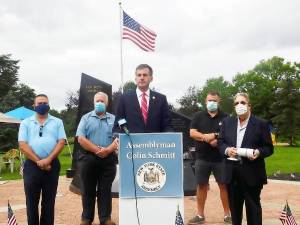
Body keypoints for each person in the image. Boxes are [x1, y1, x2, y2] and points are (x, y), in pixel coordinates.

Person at [218, 92, 274, 225]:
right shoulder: (227, 122)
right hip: (232, 174)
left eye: (242, 102)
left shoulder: (261, 123)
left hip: (252, 173)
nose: (239, 105)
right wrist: (227, 150)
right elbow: (220, 142)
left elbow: (269, 148)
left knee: (253, 210)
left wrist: (258, 152)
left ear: (249, 106)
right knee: (235, 211)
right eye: (236, 103)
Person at [18, 94, 66, 225]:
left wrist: (48, 159)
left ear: (49, 105)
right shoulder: (25, 122)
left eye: (45, 102)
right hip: (31, 166)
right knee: (31, 202)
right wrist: (39, 161)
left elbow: (61, 142)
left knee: (49, 202)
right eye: (39, 103)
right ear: (34, 106)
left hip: (52, 165)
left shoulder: (57, 122)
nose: (42, 105)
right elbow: (22, 144)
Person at [188, 91, 231, 224]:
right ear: (205, 101)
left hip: (220, 158)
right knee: (201, 186)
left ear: (219, 102)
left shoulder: (226, 117)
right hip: (202, 157)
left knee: (223, 185)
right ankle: (200, 215)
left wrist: (215, 137)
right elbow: (192, 133)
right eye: (209, 100)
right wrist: (206, 138)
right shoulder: (198, 116)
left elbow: (229, 135)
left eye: (214, 100)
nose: (211, 103)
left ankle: (227, 214)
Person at [76, 92, 118, 225]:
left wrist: (108, 150)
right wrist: (98, 150)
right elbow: (81, 138)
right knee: (87, 189)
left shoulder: (114, 119)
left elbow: (119, 137)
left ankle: (105, 219)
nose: (99, 103)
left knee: (105, 190)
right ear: (94, 103)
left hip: (109, 159)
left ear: (107, 103)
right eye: (97, 101)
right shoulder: (85, 118)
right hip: (88, 158)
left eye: (102, 101)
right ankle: (86, 218)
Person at [113, 64, 172, 133]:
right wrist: (118, 136)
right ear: (135, 79)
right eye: (139, 75)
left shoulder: (161, 99)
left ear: (151, 78)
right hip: (131, 142)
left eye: (145, 75)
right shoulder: (124, 98)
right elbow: (118, 123)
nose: (142, 78)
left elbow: (167, 125)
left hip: (155, 142)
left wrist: (170, 136)